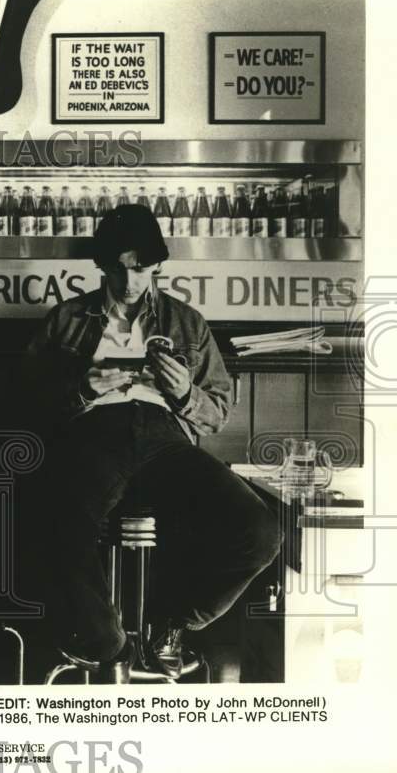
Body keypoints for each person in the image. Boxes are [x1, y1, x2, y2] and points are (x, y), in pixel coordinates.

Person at [25, 203, 282, 682]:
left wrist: (184, 392)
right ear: (101, 266)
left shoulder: (187, 322)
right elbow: (25, 404)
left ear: (157, 266)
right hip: (93, 436)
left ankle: (174, 624)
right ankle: (107, 643)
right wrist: (83, 389)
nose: (129, 282)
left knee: (259, 531)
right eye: (119, 269)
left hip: (166, 440)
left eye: (140, 269)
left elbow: (217, 413)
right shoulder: (66, 318)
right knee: (55, 517)